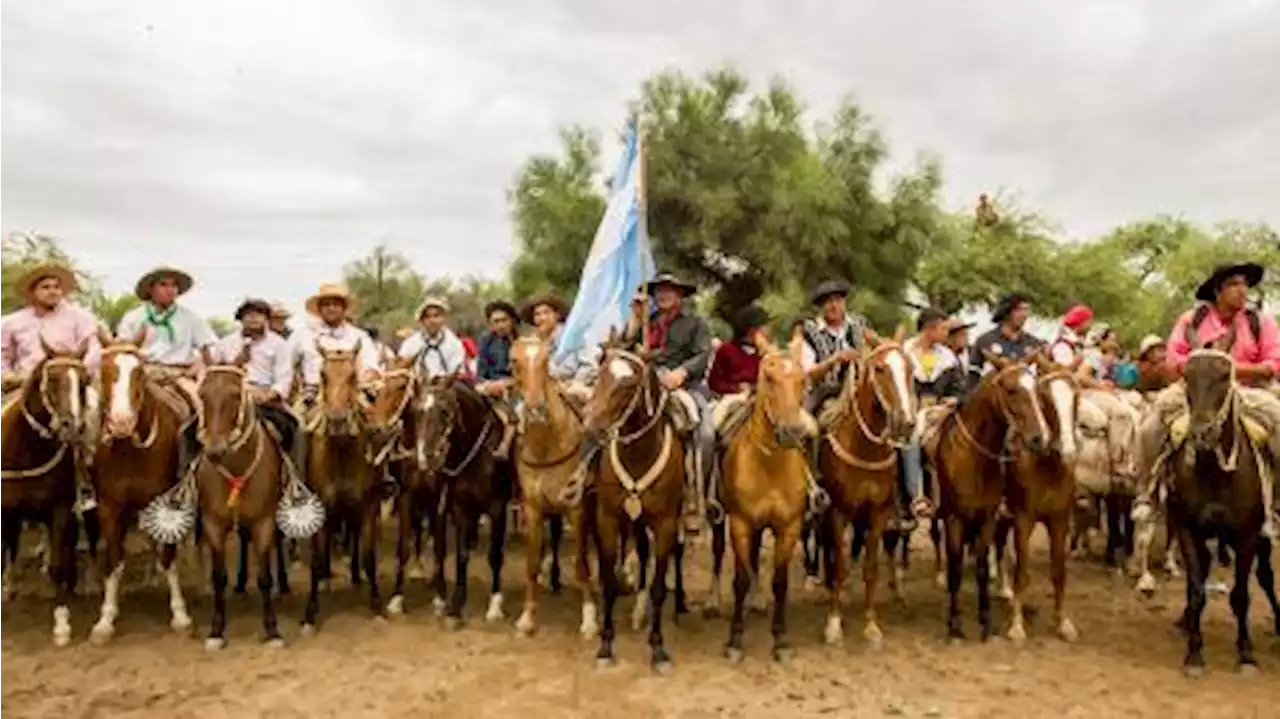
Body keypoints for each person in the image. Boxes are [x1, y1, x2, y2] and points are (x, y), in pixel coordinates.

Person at [1136, 262, 1280, 537]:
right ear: (1217, 291)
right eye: (1234, 285)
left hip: (1249, 389)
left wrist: (1228, 368)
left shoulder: (1260, 321)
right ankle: (1146, 494)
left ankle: (1275, 506)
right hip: (1195, 388)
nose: (1242, 291)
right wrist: (1202, 369)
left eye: (1245, 285)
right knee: (1150, 427)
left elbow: (1274, 362)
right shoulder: (1192, 320)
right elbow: (1173, 358)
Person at [0, 262, 103, 507]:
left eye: (57, 287)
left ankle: (86, 482)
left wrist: (81, 373)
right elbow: (2, 355)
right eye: (46, 287)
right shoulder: (11, 322)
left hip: (70, 383)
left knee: (91, 418)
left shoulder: (81, 317)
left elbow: (94, 349)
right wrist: (5, 376)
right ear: (33, 292)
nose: (53, 291)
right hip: (25, 384)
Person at [622, 273, 712, 531]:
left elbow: (704, 354)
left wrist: (681, 372)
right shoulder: (646, 323)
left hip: (684, 386)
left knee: (706, 434)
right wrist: (635, 320)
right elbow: (624, 349)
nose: (662, 295)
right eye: (658, 291)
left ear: (680, 296)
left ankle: (698, 498)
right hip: (646, 386)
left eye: (669, 291)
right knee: (611, 418)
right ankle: (592, 484)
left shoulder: (696, 324)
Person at [118, 266, 218, 479]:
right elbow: (122, 348)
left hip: (178, 374)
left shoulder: (191, 318)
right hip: (142, 372)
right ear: (151, 289)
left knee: (202, 408)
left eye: (173, 285)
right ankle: (96, 465)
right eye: (163, 284)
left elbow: (208, 348)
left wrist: (203, 366)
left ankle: (197, 466)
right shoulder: (133, 317)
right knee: (114, 405)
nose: (169, 289)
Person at [209, 299, 301, 472]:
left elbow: (284, 377)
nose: (253, 319)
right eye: (248, 315)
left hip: (264, 398)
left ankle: (295, 481)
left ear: (266, 319)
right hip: (229, 399)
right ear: (241, 319)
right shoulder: (225, 344)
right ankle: (186, 483)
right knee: (188, 430)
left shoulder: (279, 345)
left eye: (259, 315)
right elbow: (214, 372)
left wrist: (270, 394)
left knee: (295, 427)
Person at [902, 308, 959, 518]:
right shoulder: (904, 351)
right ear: (929, 329)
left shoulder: (947, 356)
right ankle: (916, 494)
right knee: (911, 438)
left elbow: (958, 388)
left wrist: (948, 405)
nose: (947, 333)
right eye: (943, 328)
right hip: (910, 410)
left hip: (941, 413)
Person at [297, 283, 380, 406]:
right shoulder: (303, 335)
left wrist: (366, 379)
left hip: (354, 395)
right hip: (313, 396)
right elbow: (286, 366)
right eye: (326, 305)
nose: (331, 308)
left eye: (336, 305)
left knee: (375, 420)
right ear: (320, 309)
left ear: (344, 308)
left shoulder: (360, 337)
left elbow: (370, 364)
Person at [799, 279, 868, 424]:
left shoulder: (860, 324)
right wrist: (833, 360)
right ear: (821, 307)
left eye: (838, 300)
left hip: (860, 389)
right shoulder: (810, 331)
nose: (834, 306)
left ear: (844, 302)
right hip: (824, 393)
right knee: (804, 426)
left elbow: (872, 351)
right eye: (828, 302)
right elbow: (809, 374)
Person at [523, 293, 595, 399]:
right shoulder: (534, 344)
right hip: (548, 392)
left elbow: (590, 365)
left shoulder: (573, 336)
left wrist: (575, 384)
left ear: (557, 315)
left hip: (577, 388)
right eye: (537, 315)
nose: (542, 318)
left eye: (546, 313)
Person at [970, 293, 1043, 380]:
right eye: (1019, 310)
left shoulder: (1033, 344)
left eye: (1026, 310)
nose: (1024, 315)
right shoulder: (985, 341)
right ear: (1007, 312)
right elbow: (972, 379)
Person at [397, 296, 467, 380]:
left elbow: (457, 372)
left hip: (444, 388)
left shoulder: (454, 344)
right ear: (422, 320)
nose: (432, 320)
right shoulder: (410, 344)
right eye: (427, 317)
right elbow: (400, 369)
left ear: (443, 318)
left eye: (436, 316)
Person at [1048, 304, 1093, 368]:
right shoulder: (1064, 344)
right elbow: (1061, 371)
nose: (1090, 326)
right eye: (1089, 322)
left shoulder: (1078, 343)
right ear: (1081, 322)